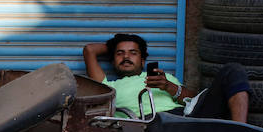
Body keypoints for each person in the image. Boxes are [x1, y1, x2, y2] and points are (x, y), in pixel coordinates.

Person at [83, 33, 250, 122]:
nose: (126, 57)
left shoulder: (164, 78)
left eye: (133, 53)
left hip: (186, 117)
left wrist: (170, 87)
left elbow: (193, 99)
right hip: (150, 123)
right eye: (120, 54)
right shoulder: (108, 87)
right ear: (113, 61)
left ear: (143, 61)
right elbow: (90, 50)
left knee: (232, 70)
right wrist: (116, 44)